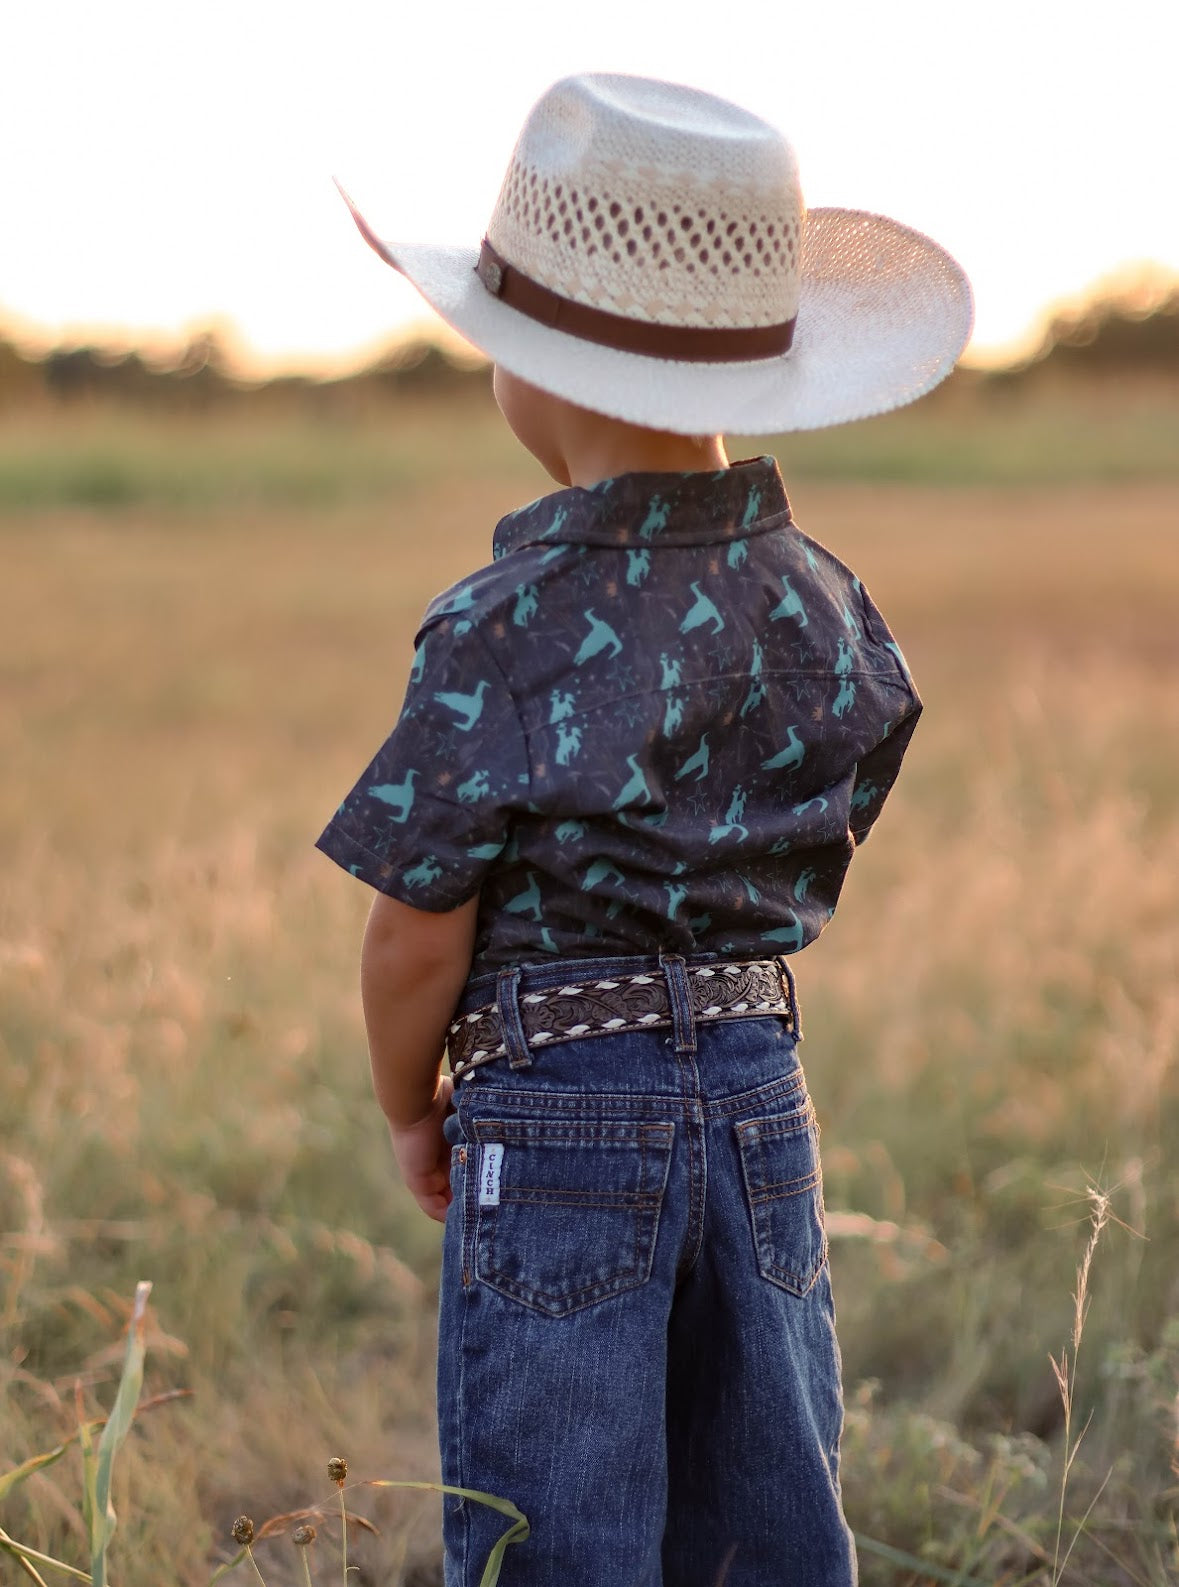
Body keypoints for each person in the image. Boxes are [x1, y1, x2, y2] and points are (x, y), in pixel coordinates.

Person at [316, 73, 972, 1587]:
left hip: (549, 1102)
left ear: (539, 378)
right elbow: (863, 765)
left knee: (560, 1520)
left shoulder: (501, 623)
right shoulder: (827, 599)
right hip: (761, 1088)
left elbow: (416, 921)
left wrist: (410, 1102)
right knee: (768, 1506)